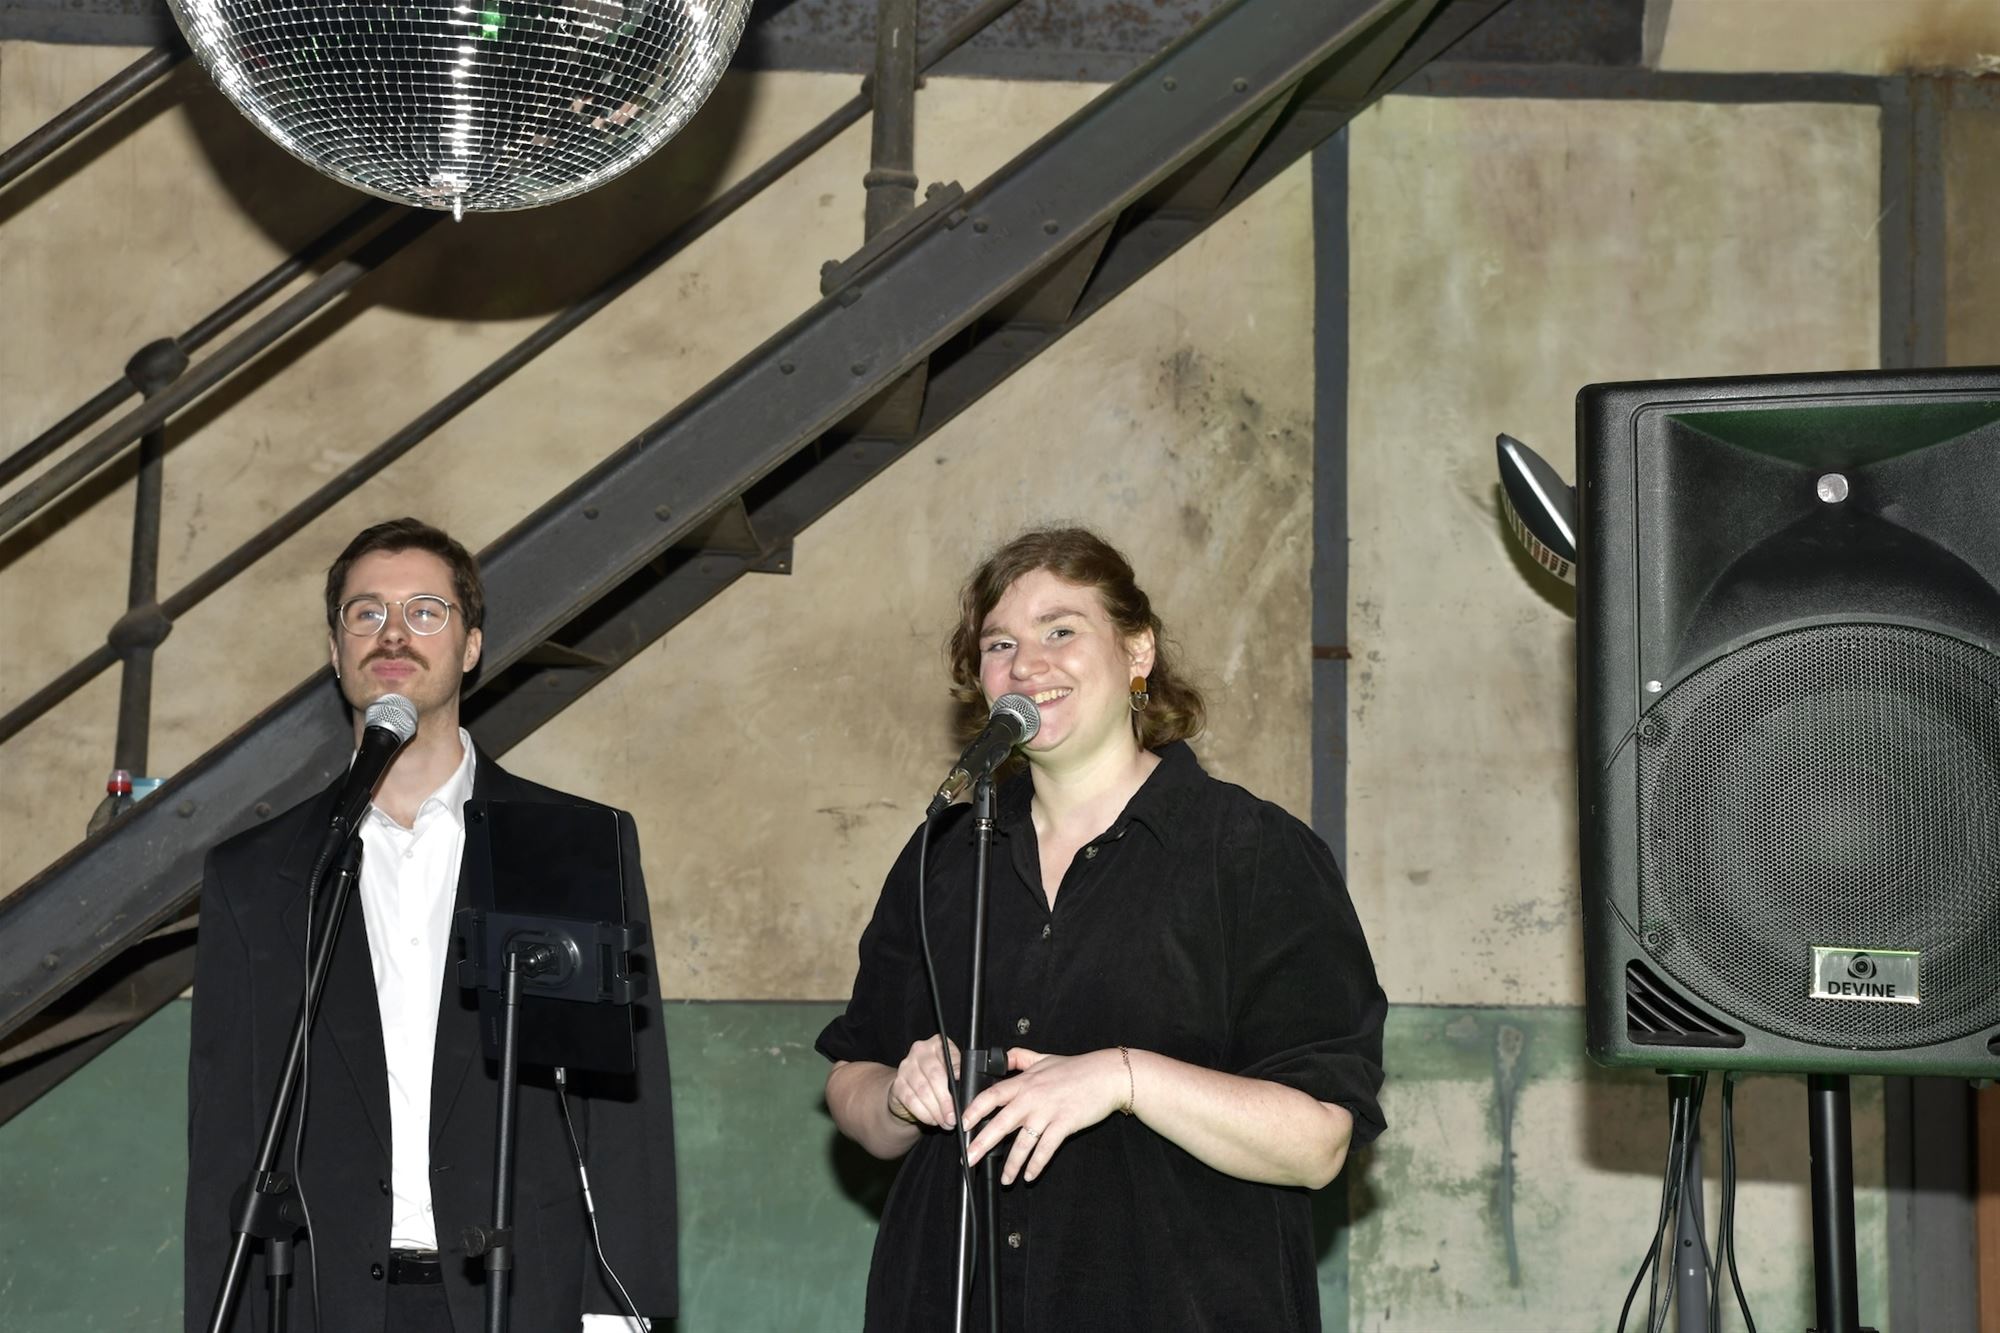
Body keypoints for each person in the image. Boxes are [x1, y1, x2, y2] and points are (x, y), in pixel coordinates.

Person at [817, 526, 1388, 1331]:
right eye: (1000, 643)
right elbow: (852, 1083)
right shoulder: (944, 856)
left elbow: (1318, 1141)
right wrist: (901, 1095)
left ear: (1137, 650)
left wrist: (1124, 1078)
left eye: (1060, 630)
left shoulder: (1252, 852)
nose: (1027, 663)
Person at [184, 518, 677, 1332]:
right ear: (336, 648)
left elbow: (624, 1110)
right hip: (322, 1300)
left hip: (518, 1294)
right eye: (366, 611)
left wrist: (619, 1311)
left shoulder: (569, 846)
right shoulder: (259, 876)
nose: (392, 633)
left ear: (471, 644)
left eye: (424, 610)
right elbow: (226, 1139)